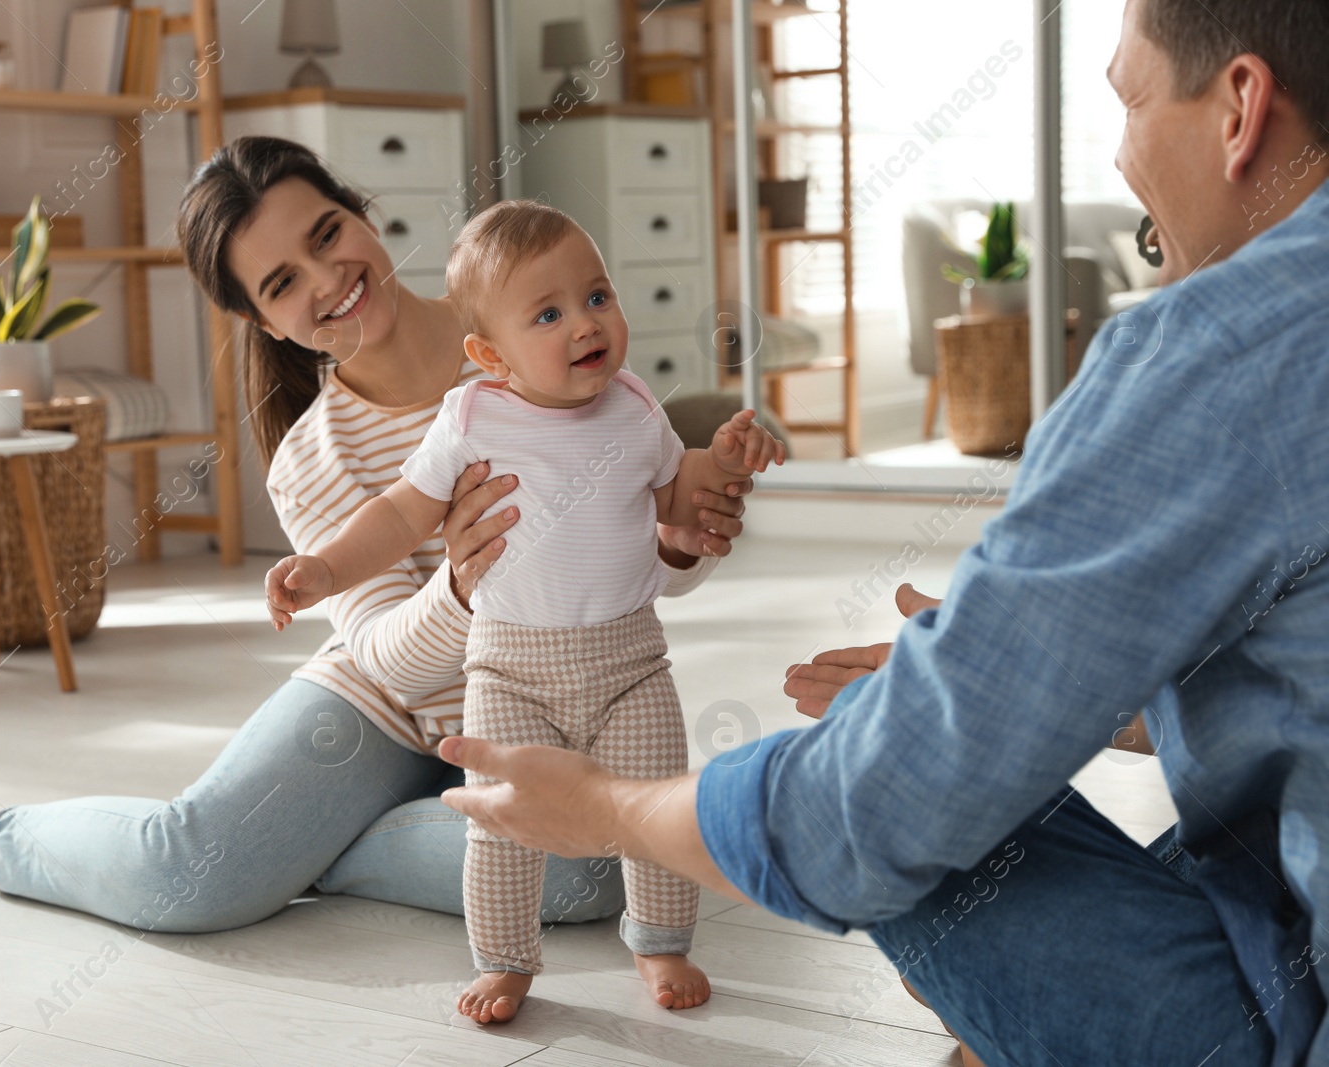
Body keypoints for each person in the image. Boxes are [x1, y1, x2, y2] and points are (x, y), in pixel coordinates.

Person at [436, 1, 1329, 1064]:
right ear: (484, 354)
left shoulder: (1216, 349)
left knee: (881, 759)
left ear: (1240, 108)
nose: (1121, 147)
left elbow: (875, 808)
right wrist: (1059, 668)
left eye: (1128, 101)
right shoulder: (461, 433)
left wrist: (607, 811)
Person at [0, 137, 756, 939]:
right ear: (263, 320)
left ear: (362, 214)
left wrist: (679, 540)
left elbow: (629, 567)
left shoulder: (535, 321)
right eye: (282, 283)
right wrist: (463, 587)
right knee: (188, 872)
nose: (328, 279)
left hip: (551, 693)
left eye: (328, 233)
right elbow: (381, 650)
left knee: (593, 877)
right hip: (389, 706)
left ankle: (311, 849)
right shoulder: (312, 456)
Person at [264, 199, 785, 1023]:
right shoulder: (471, 417)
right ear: (490, 356)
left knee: (653, 803)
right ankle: (506, 961)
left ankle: (659, 939)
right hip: (509, 670)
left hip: (630, 661)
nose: (585, 324)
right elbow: (402, 516)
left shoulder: (636, 407)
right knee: (505, 828)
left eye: (597, 296)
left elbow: (677, 496)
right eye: (548, 313)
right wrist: (324, 567)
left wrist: (720, 462)